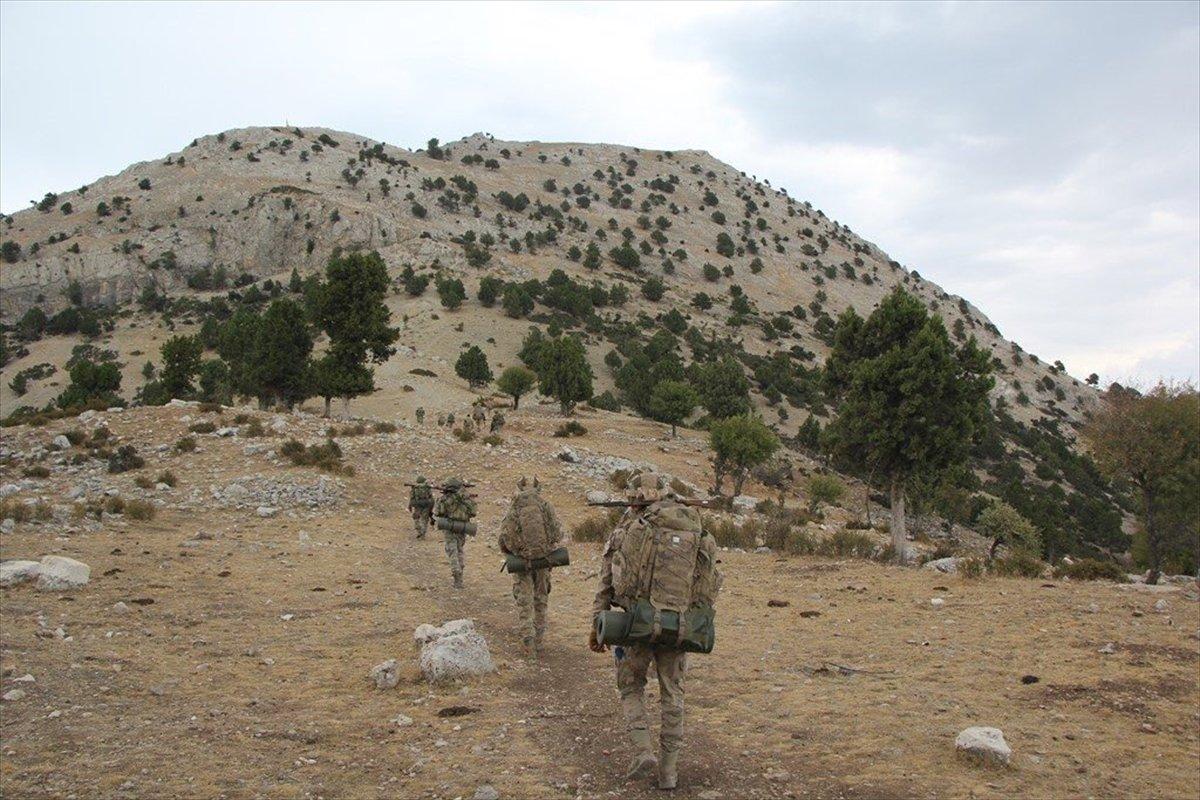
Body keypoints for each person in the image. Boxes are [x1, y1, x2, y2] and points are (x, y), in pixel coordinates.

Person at [589, 472, 718, 791]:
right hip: (680, 626)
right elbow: (708, 582)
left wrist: (597, 625)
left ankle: (643, 750)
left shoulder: (629, 529)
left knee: (630, 685)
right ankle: (669, 772)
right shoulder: (692, 525)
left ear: (634, 498)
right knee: (673, 694)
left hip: (637, 624)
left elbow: (608, 580)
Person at [498, 476, 562, 659]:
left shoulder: (515, 506)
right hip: (543, 561)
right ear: (537, 489)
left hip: (521, 561)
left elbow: (504, 536)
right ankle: (539, 639)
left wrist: (515, 552)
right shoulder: (545, 505)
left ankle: (528, 642)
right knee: (541, 598)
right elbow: (556, 533)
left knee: (524, 601)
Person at [434, 477, 476, 588]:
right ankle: (460, 577)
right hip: (462, 528)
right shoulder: (466, 499)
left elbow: (438, 512)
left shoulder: (444, 499)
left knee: (452, 551)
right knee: (460, 550)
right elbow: (473, 513)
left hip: (449, 527)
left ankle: (456, 574)